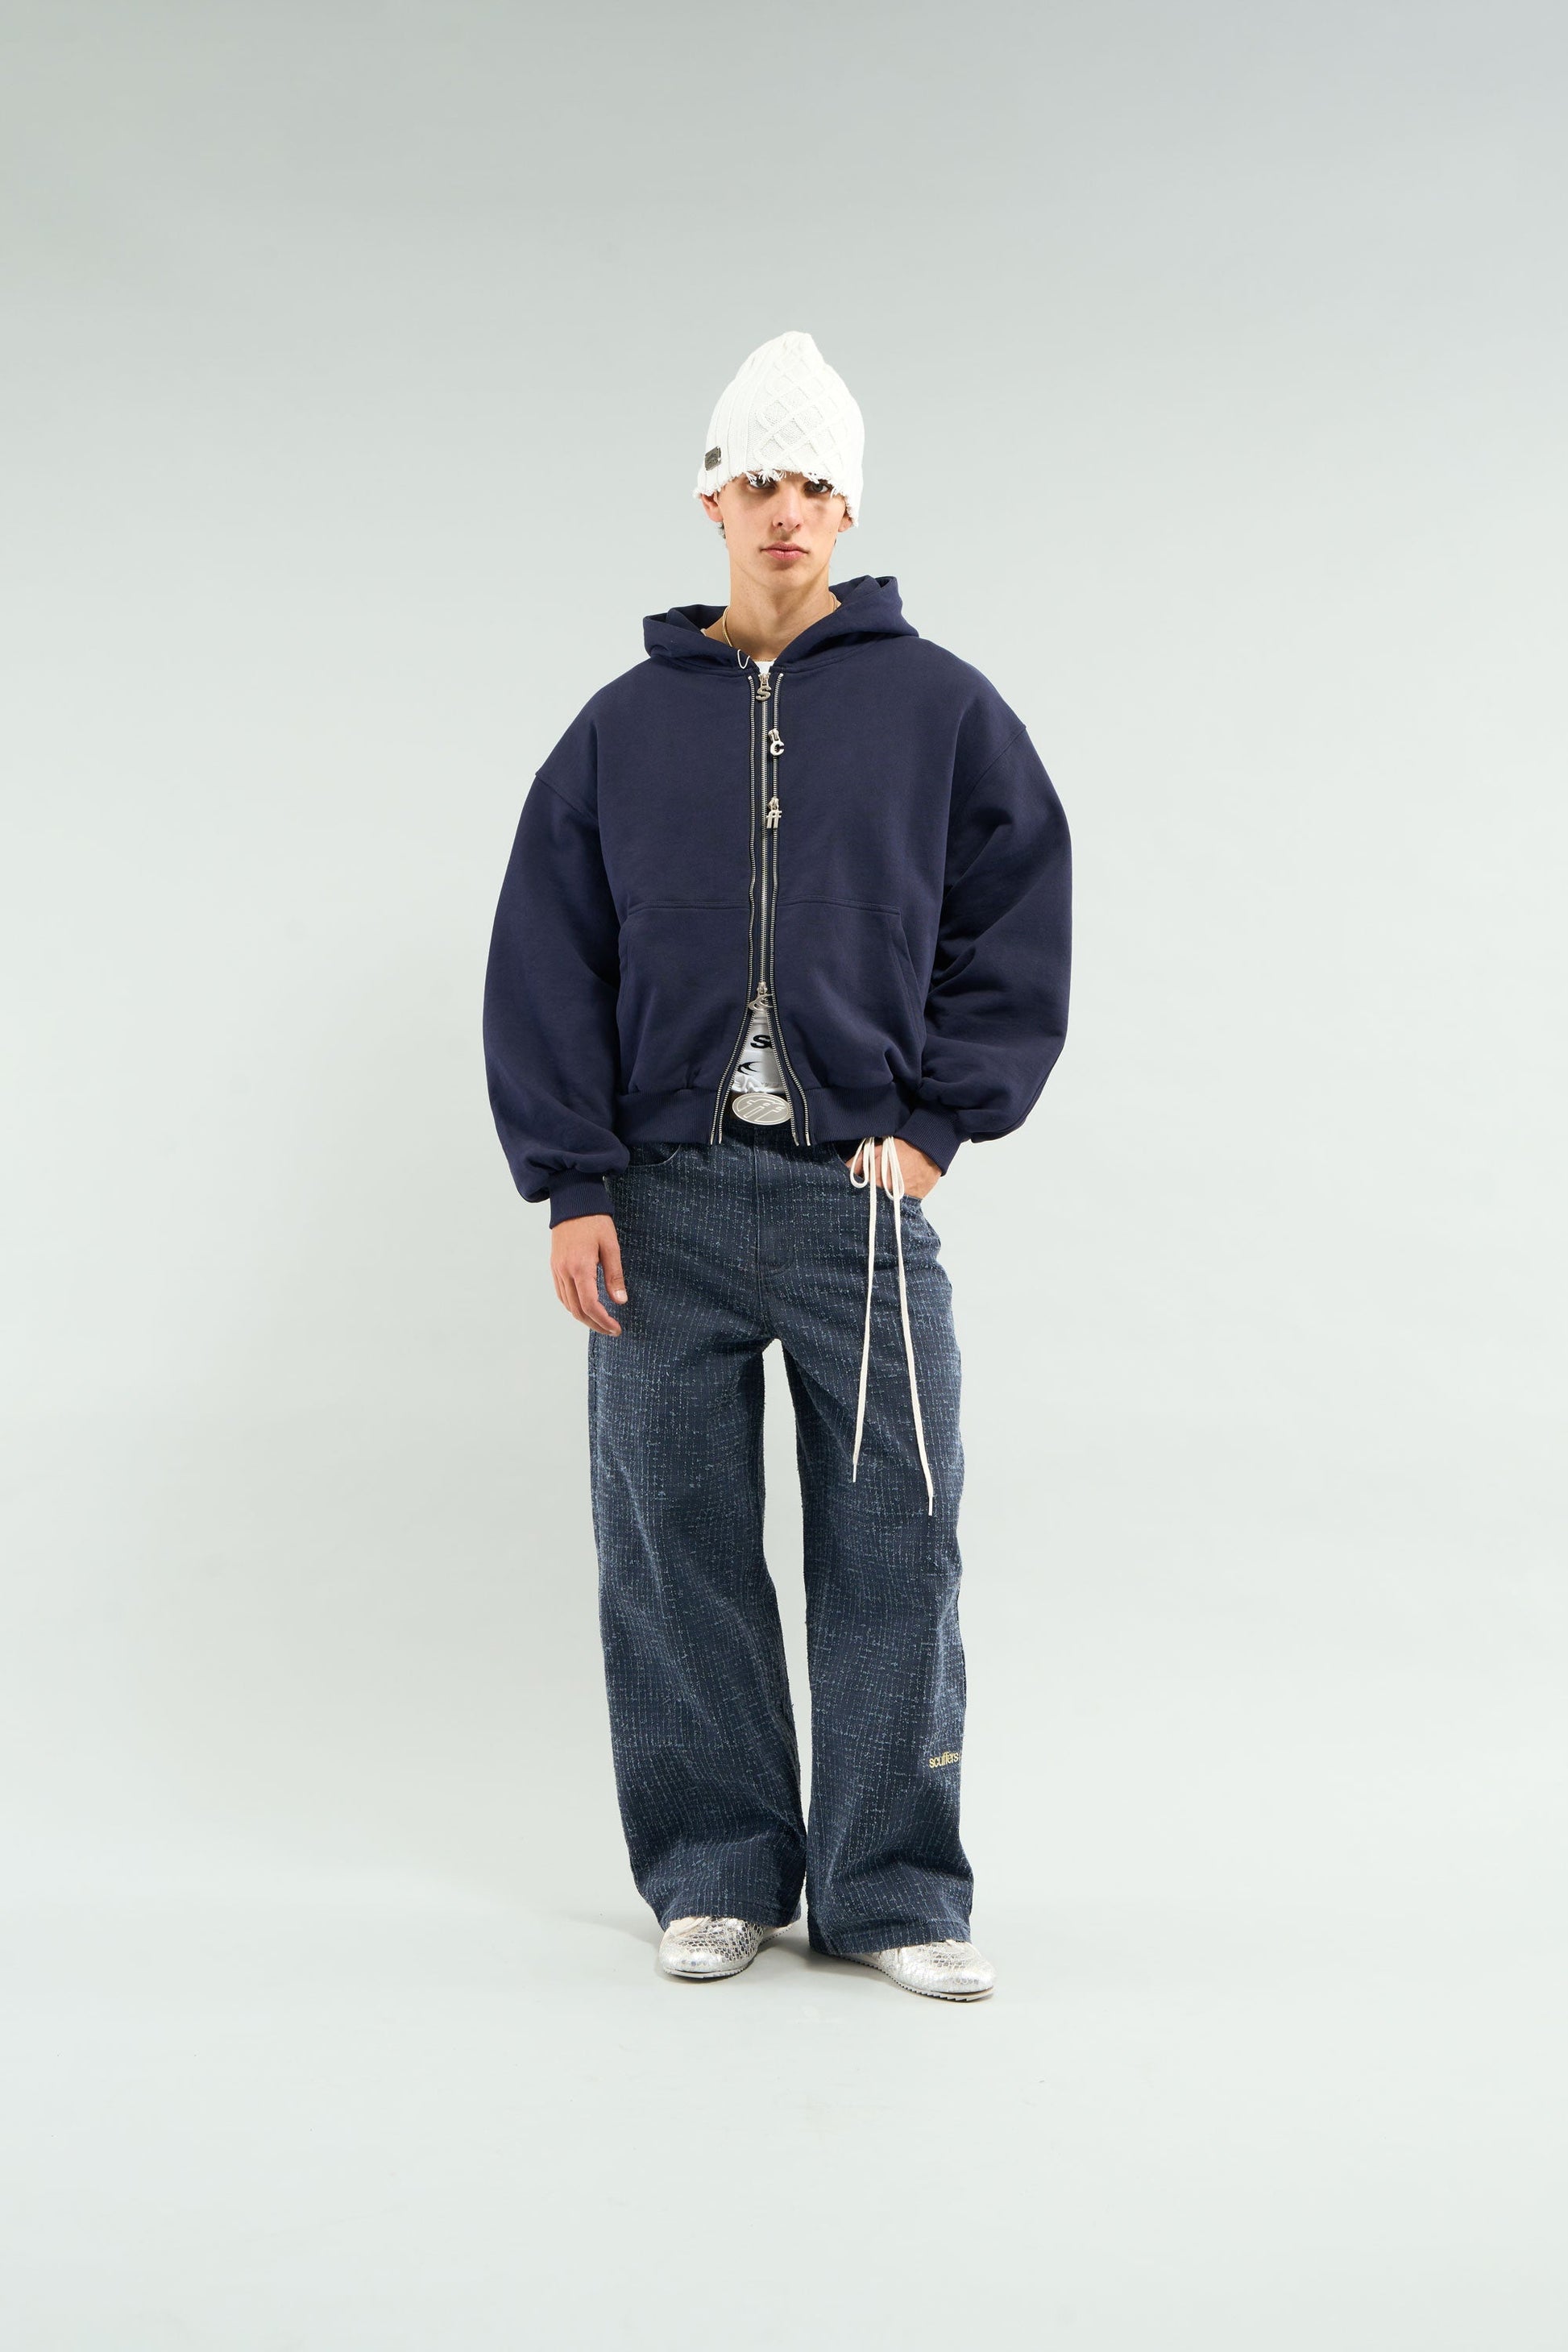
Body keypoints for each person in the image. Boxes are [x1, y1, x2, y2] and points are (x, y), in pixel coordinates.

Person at [483, 330, 1071, 1999]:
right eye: (759, 478)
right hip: (656, 1201)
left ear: (849, 504)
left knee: (896, 1541)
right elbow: (546, 955)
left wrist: (935, 1125)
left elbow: (1016, 914)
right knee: (673, 1547)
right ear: (710, 499)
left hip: (853, 1205)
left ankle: (893, 1891)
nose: (787, 508)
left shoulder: (940, 708)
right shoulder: (619, 730)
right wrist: (574, 1180)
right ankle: (718, 1869)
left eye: (815, 481)